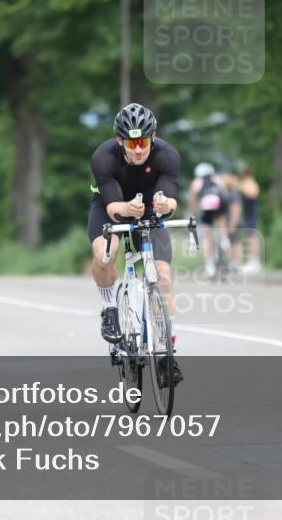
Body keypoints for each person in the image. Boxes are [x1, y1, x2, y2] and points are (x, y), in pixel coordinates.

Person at [88, 103, 183, 385]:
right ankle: (109, 308)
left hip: (150, 208)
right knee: (106, 254)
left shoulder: (167, 156)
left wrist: (166, 205)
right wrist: (127, 209)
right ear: (120, 141)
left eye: (143, 142)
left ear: (153, 137)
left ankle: (165, 352)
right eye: (132, 144)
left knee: (163, 276)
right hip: (111, 205)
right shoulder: (103, 157)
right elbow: (113, 207)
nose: (138, 150)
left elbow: (171, 201)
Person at [188, 162, 229, 278]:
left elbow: (192, 198)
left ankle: (209, 266)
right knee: (221, 220)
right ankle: (224, 240)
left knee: (207, 235)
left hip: (207, 204)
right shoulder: (217, 179)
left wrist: (193, 213)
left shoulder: (197, 181)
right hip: (219, 202)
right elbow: (224, 192)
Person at [236, 161, 261, 271]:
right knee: (248, 237)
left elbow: (253, 193)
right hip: (247, 215)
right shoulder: (244, 183)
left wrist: (240, 187)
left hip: (251, 214)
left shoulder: (250, 182)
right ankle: (251, 260)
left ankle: (255, 261)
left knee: (252, 237)